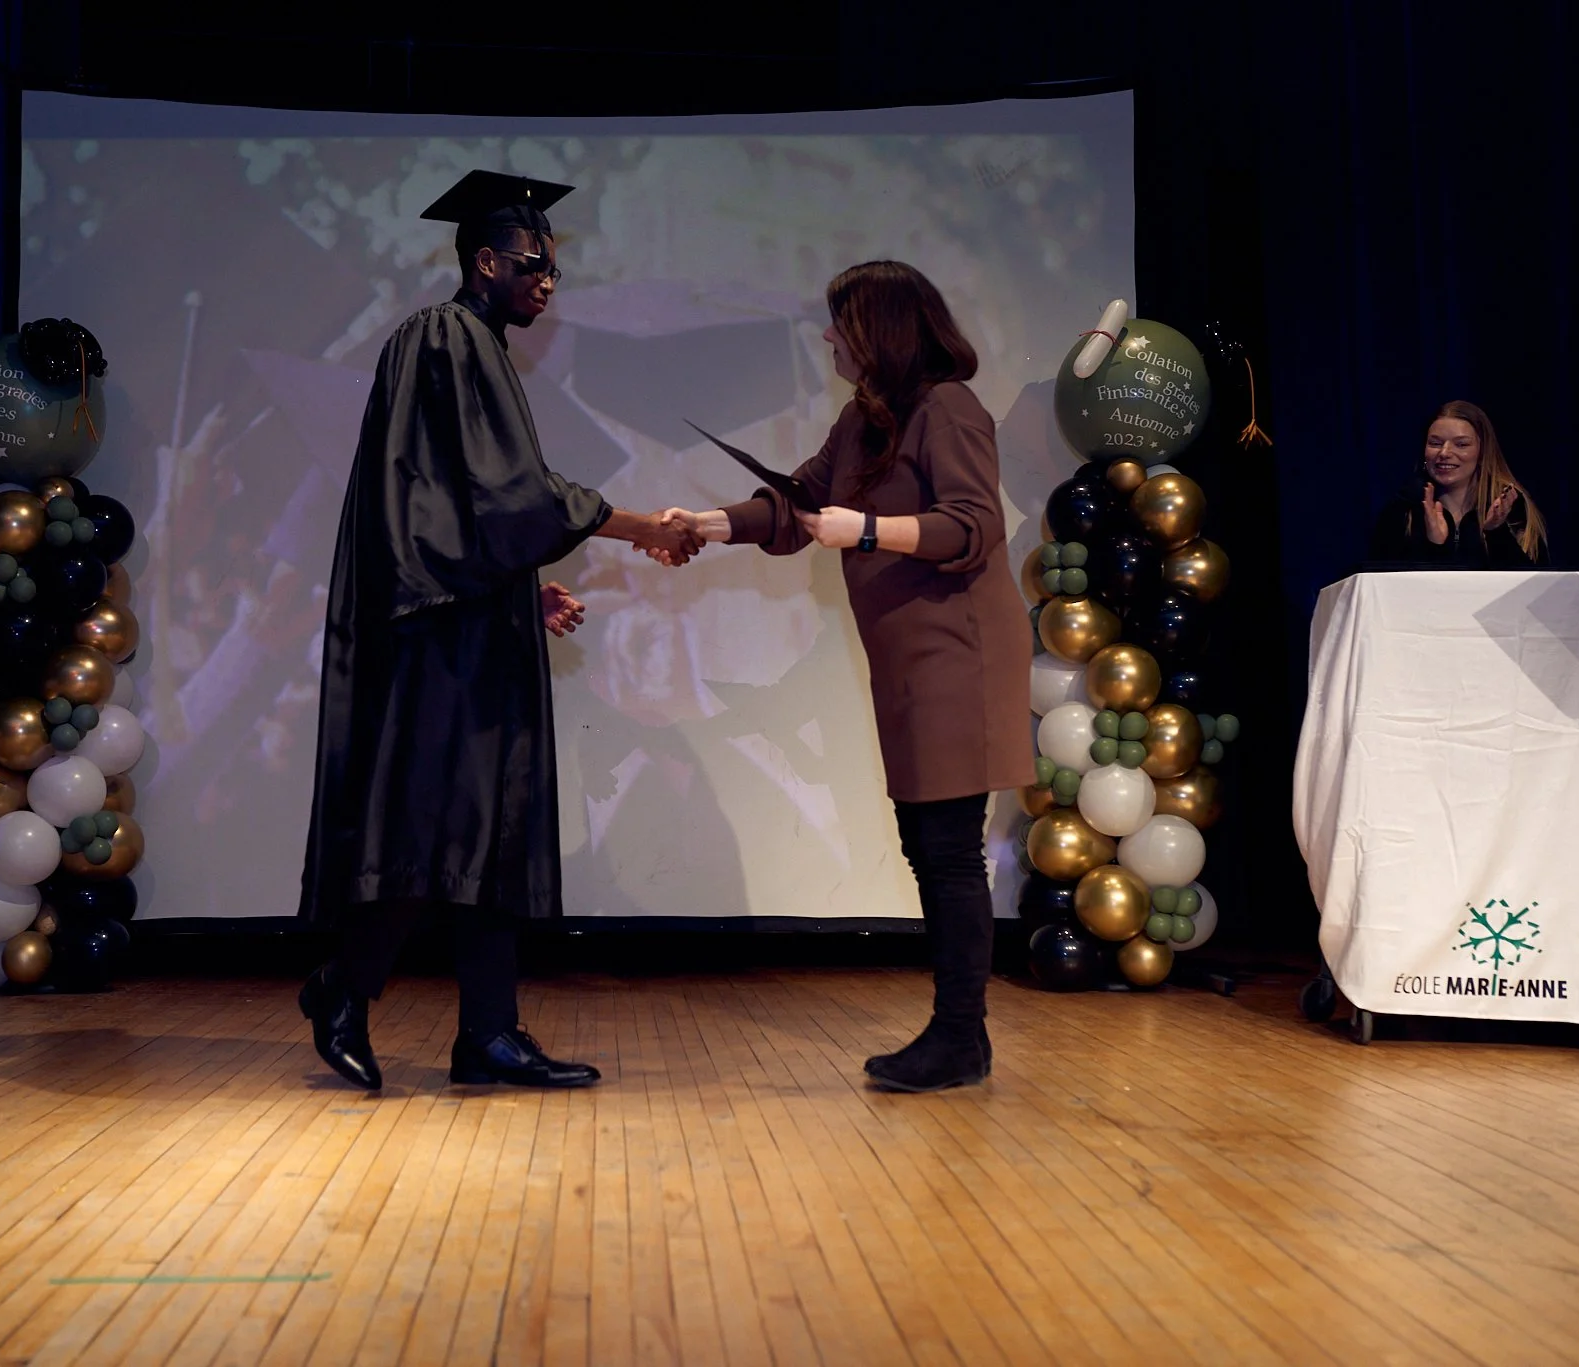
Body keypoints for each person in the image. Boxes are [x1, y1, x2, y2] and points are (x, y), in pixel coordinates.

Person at [297, 170, 701, 1091]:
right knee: (427, 823)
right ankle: (343, 990)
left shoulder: (469, 344)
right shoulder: (446, 334)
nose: (547, 282)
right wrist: (642, 527)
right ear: (483, 260)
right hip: (438, 641)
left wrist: (525, 589)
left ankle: (487, 1033)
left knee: (494, 830)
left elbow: (466, 504)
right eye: (531, 264)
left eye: (554, 270)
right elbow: (509, 492)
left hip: (474, 624)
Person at [661, 260, 1032, 1092]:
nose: (828, 337)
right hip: (907, 653)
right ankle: (956, 1032)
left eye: (841, 323)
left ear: (880, 331)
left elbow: (972, 527)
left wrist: (865, 529)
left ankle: (960, 1036)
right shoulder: (864, 421)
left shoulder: (949, 409)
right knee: (925, 841)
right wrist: (710, 524)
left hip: (959, 650)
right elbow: (799, 507)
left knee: (946, 848)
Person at [1368, 400, 1547, 566]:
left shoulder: (1511, 506)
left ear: (1483, 451)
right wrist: (1434, 546)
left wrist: (1496, 533)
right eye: (1435, 443)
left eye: (1461, 444)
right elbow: (1383, 590)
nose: (1444, 452)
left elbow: (1534, 590)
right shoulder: (1403, 510)